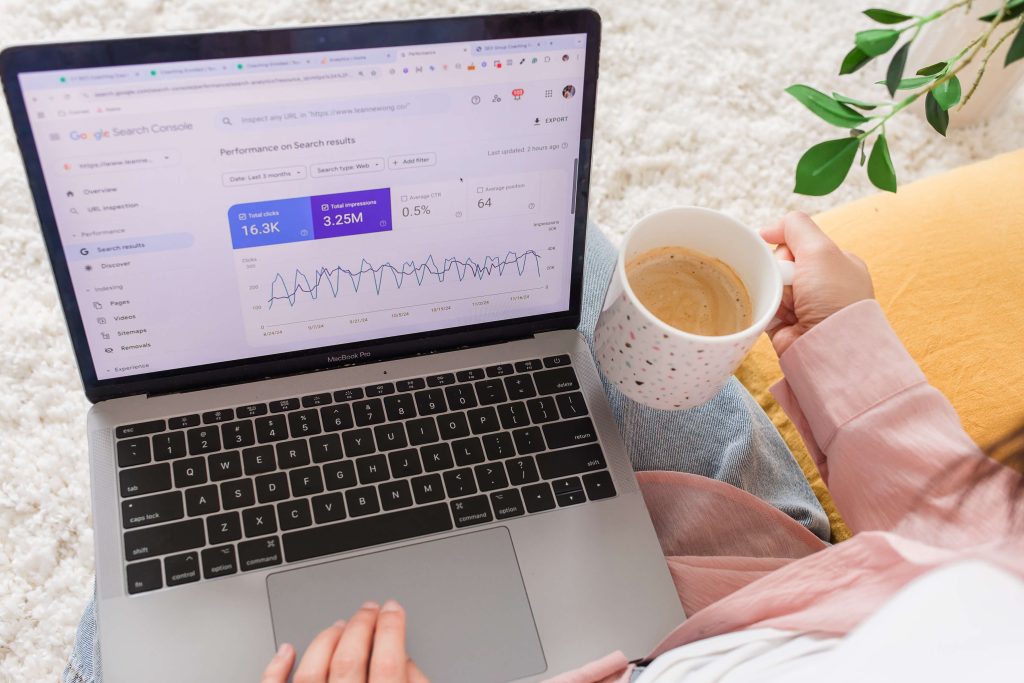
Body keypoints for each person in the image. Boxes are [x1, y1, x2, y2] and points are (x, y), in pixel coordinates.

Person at [258, 212, 1024, 682]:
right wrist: (840, 344)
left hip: (640, 640)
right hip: (766, 580)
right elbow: (988, 546)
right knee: (556, 242)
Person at [66, 217, 832, 682]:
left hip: (705, 631)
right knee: (561, 253)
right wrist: (842, 346)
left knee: (133, 580)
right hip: (779, 598)